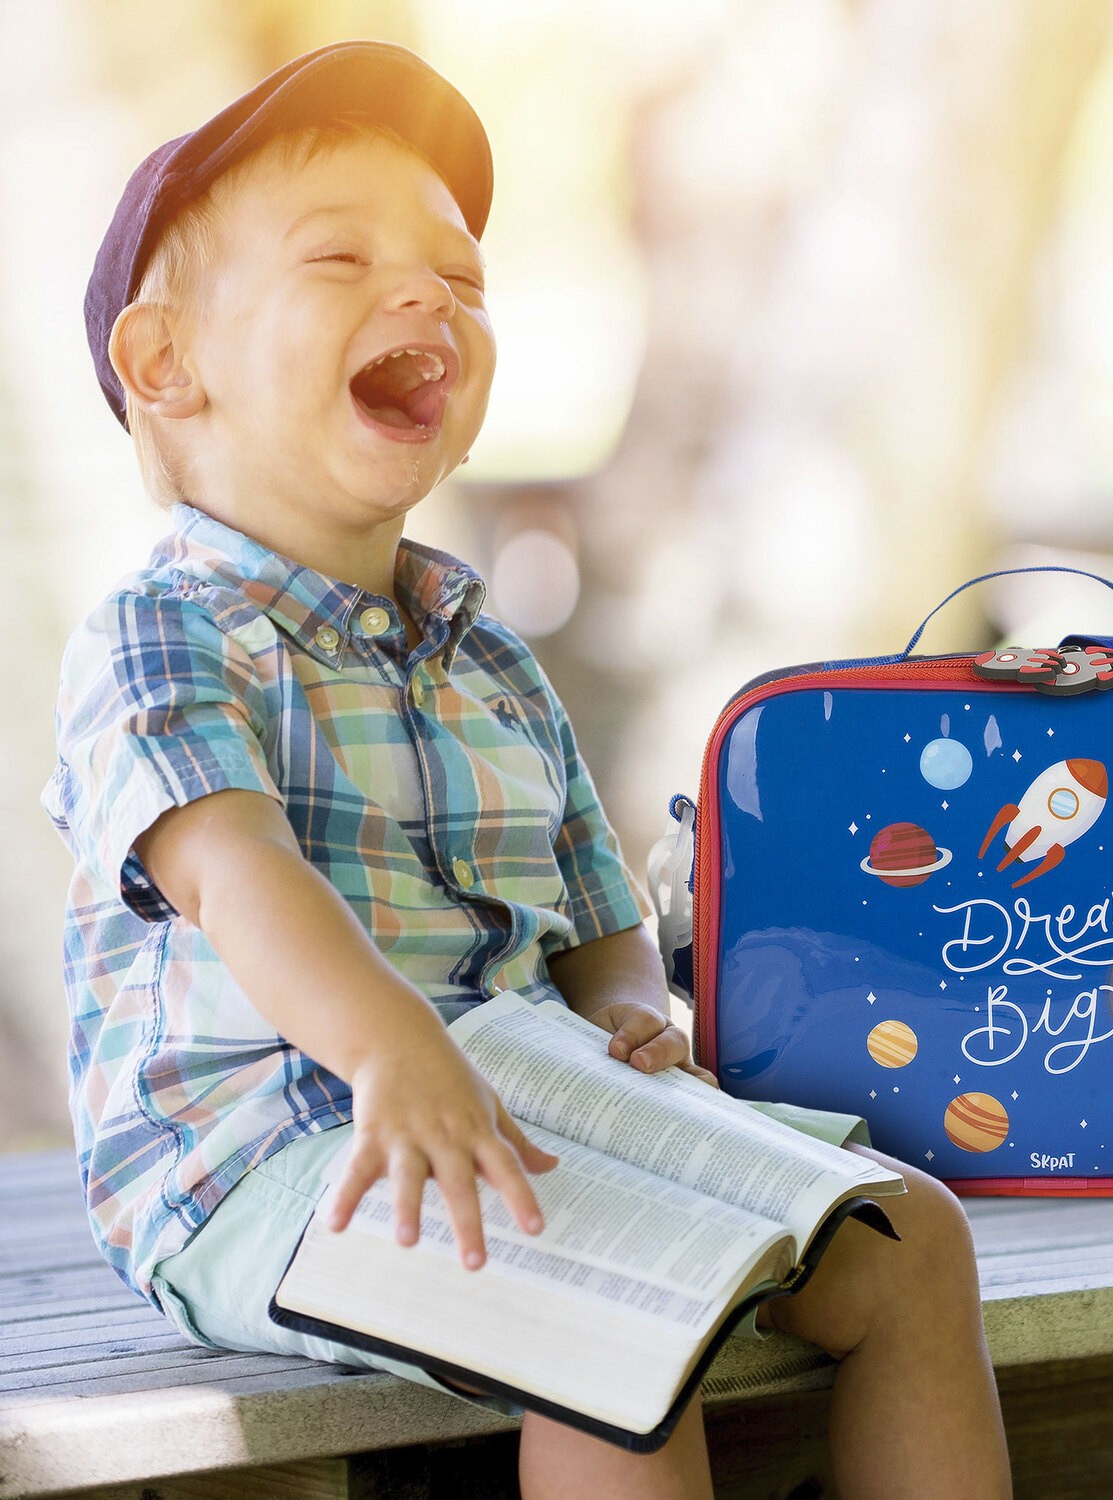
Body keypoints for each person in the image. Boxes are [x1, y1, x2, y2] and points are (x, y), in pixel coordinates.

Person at [45, 41, 1012, 1499]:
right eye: (342, 257)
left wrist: (625, 1006)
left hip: (531, 1098)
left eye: (460, 274)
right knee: (616, 1311)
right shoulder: (161, 634)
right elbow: (237, 875)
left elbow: (590, 900)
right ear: (165, 362)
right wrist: (393, 1047)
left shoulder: (484, 647)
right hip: (266, 1158)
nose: (428, 294)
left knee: (909, 1239)